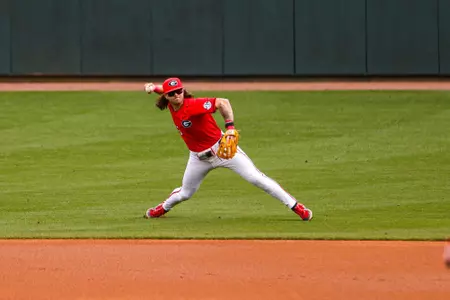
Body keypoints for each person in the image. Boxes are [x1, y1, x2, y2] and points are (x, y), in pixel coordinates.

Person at [142, 78, 313, 221]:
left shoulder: (193, 105)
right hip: (198, 158)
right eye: (172, 93)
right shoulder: (172, 105)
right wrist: (153, 87)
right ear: (166, 96)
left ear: (183, 90)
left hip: (223, 150)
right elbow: (164, 90)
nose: (177, 95)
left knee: (256, 178)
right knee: (185, 193)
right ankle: (162, 209)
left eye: (179, 91)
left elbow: (223, 102)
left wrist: (230, 128)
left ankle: (296, 207)